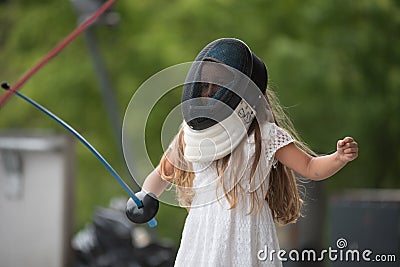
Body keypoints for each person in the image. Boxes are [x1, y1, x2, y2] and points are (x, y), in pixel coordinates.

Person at [126, 38, 359, 266]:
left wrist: (338, 157)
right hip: (202, 233)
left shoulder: (264, 135)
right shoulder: (190, 135)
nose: (209, 92)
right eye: (206, 85)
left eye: (219, 87)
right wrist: (146, 195)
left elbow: (310, 168)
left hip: (248, 234)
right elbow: (162, 174)